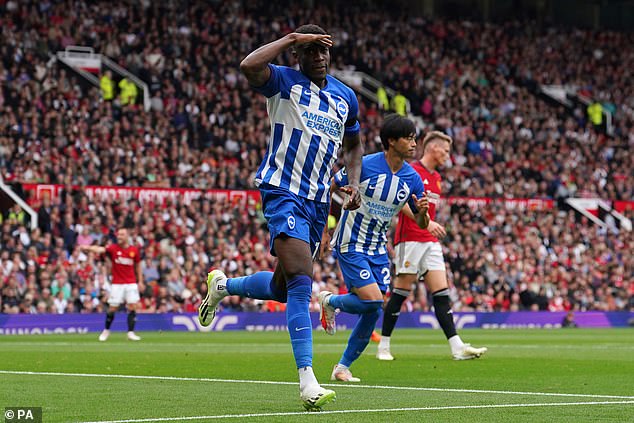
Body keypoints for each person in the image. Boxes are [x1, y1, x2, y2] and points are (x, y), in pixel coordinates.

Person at [197, 24, 363, 411]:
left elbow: (354, 146)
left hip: (319, 202)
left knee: (283, 288)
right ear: (298, 56)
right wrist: (291, 39)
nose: (319, 57)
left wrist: (352, 184)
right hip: (282, 191)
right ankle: (307, 381)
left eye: (324, 51)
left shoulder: (345, 97)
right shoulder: (284, 81)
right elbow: (248, 65)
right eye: (311, 51)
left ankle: (223, 286)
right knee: (303, 282)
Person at [318, 114, 429, 382]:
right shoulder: (364, 166)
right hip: (351, 242)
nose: (414, 143)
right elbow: (328, 187)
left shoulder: (412, 179)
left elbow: (421, 222)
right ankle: (330, 301)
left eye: (415, 137)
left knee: (372, 309)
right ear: (391, 141)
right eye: (408, 138)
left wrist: (424, 213)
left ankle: (342, 367)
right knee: (374, 302)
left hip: (379, 249)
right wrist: (322, 229)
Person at [377, 130, 488, 361]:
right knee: (401, 292)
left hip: (430, 241)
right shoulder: (411, 171)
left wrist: (430, 227)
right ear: (433, 148)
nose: (448, 154)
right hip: (410, 239)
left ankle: (457, 347)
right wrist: (427, 225)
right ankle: (383, 346)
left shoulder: (436, 177)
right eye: (445, 150)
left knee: (441, 292)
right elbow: (399, 204)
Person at [80, 228, 143, 341]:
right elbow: (100, 249)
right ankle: (106, 330)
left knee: (132, 306)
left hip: (131, 282)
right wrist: (88, 248)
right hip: (117, 283)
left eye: (122, 235)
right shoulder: (113, 248)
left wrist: (141, 281)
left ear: (127, 236)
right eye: (118, 235)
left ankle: (130, 333)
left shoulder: (134, 250)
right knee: (113, 308)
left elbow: (138, 265)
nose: (119, 237)